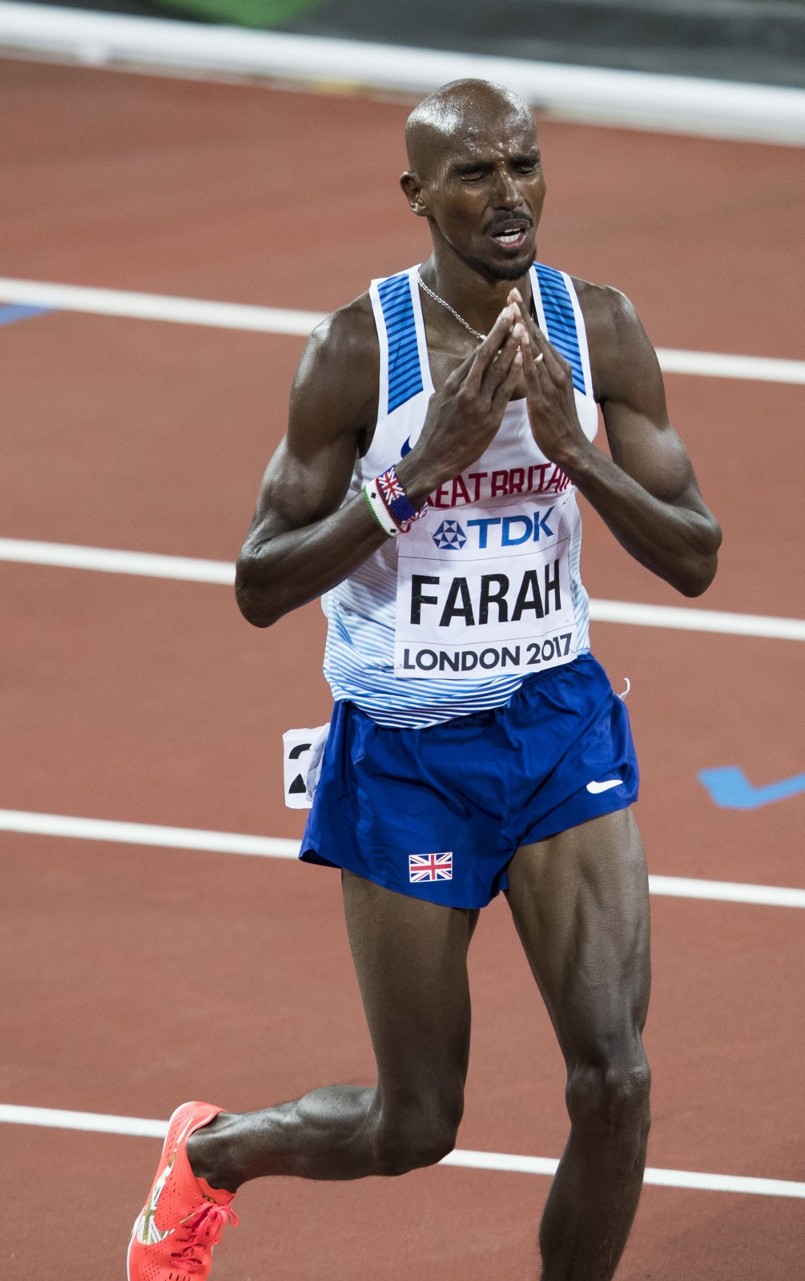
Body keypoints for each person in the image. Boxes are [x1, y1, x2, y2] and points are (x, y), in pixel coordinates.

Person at [127, 78, 721, 1281]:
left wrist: (573, 454)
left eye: (524, 166)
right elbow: (259, 582)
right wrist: (416, 473)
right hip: (405, 752)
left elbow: (697, 554)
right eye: (474, 175)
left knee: (617, 1080)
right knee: (416, 1125)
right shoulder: (356, 352)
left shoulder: (597, 327)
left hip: (554, 723)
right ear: (417, 195)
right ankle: (212, 1156)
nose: (509, 197)